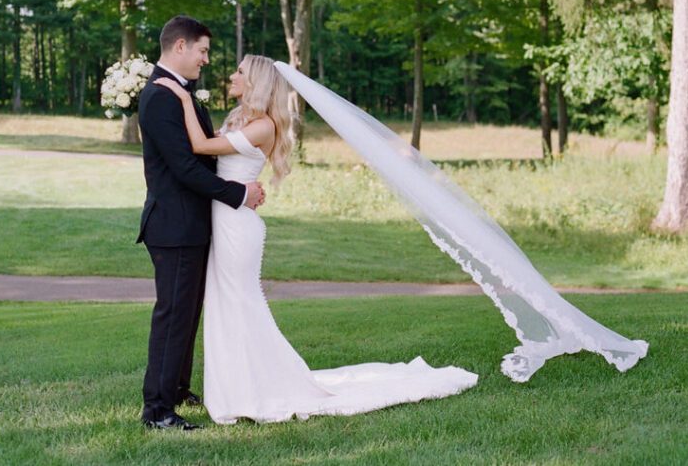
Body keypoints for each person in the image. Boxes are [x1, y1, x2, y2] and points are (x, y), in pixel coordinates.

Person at [154, 53, 477, 425]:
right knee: (226, 305)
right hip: (224, 220)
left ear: (256, 82)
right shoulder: (238, 118)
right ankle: (235, 385)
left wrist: (181, 98)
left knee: (241, 304)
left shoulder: (264, 126)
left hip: (237, 228)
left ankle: (254, 388)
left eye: (239, 72)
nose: (231, 75)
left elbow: (199, 147)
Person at [137, 15, 265, 431]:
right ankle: (157, 409)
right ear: (180, 47)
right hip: (173, 225)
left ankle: (175, 388)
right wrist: (239, 194)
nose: (206, 59)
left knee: (188, 313)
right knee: (174, 314)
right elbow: (185, 168)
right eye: (203, 50)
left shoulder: (180, 94)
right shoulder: (160, 97)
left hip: (193, 223)